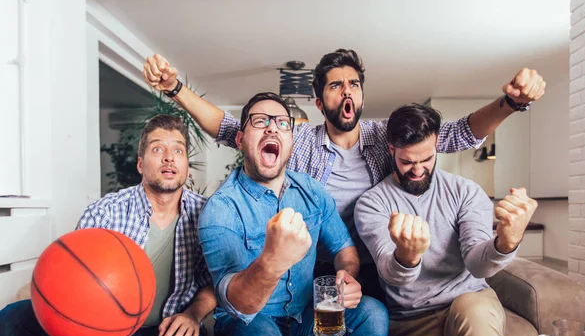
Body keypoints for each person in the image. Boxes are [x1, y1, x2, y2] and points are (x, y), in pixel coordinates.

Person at [143, 49, 545, 299]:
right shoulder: (298, 140)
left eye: (354, 83)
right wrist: (176, 87)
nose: (347, 91)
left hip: (385, 264)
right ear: (320, 101)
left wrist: (510, 103)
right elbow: (233, 129)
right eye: (336, 86)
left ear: (363, 96)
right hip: (316, 265)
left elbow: (455, 133)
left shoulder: (387, 135)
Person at [0, 115, 216, 336]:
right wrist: (77, 331)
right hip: (104, 327)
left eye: (178, 150)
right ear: (140, 164)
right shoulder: (105, 211)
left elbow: (217, 281)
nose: (169, 158)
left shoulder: (209, 216)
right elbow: (73, 281)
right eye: (157, 149)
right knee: (12, 320)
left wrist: (193, 315)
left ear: (186, 165)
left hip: (164, 330)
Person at [198, 92, 388, 336]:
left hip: (305, 321)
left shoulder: (312, 191)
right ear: (240, 139)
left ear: (291, 140)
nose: (272, 128)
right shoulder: (220, 209)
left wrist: (348, 275)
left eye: (282, 124)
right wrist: (272, 260)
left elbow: (344, 250)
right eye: (260, 121)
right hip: (248, 324)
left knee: (373, 314)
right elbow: (239, 304)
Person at [354, 103, 538, 336]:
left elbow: (478, 265)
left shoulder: (466, 192)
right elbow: (392, 275)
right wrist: (408, 256)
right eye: (406, 161)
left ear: (438, 143)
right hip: (411, 318)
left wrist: (507, 242)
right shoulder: (372, 203)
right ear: (391, 149)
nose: (416, 170)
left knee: (476, 318)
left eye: (426, 159)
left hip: (467, 301)